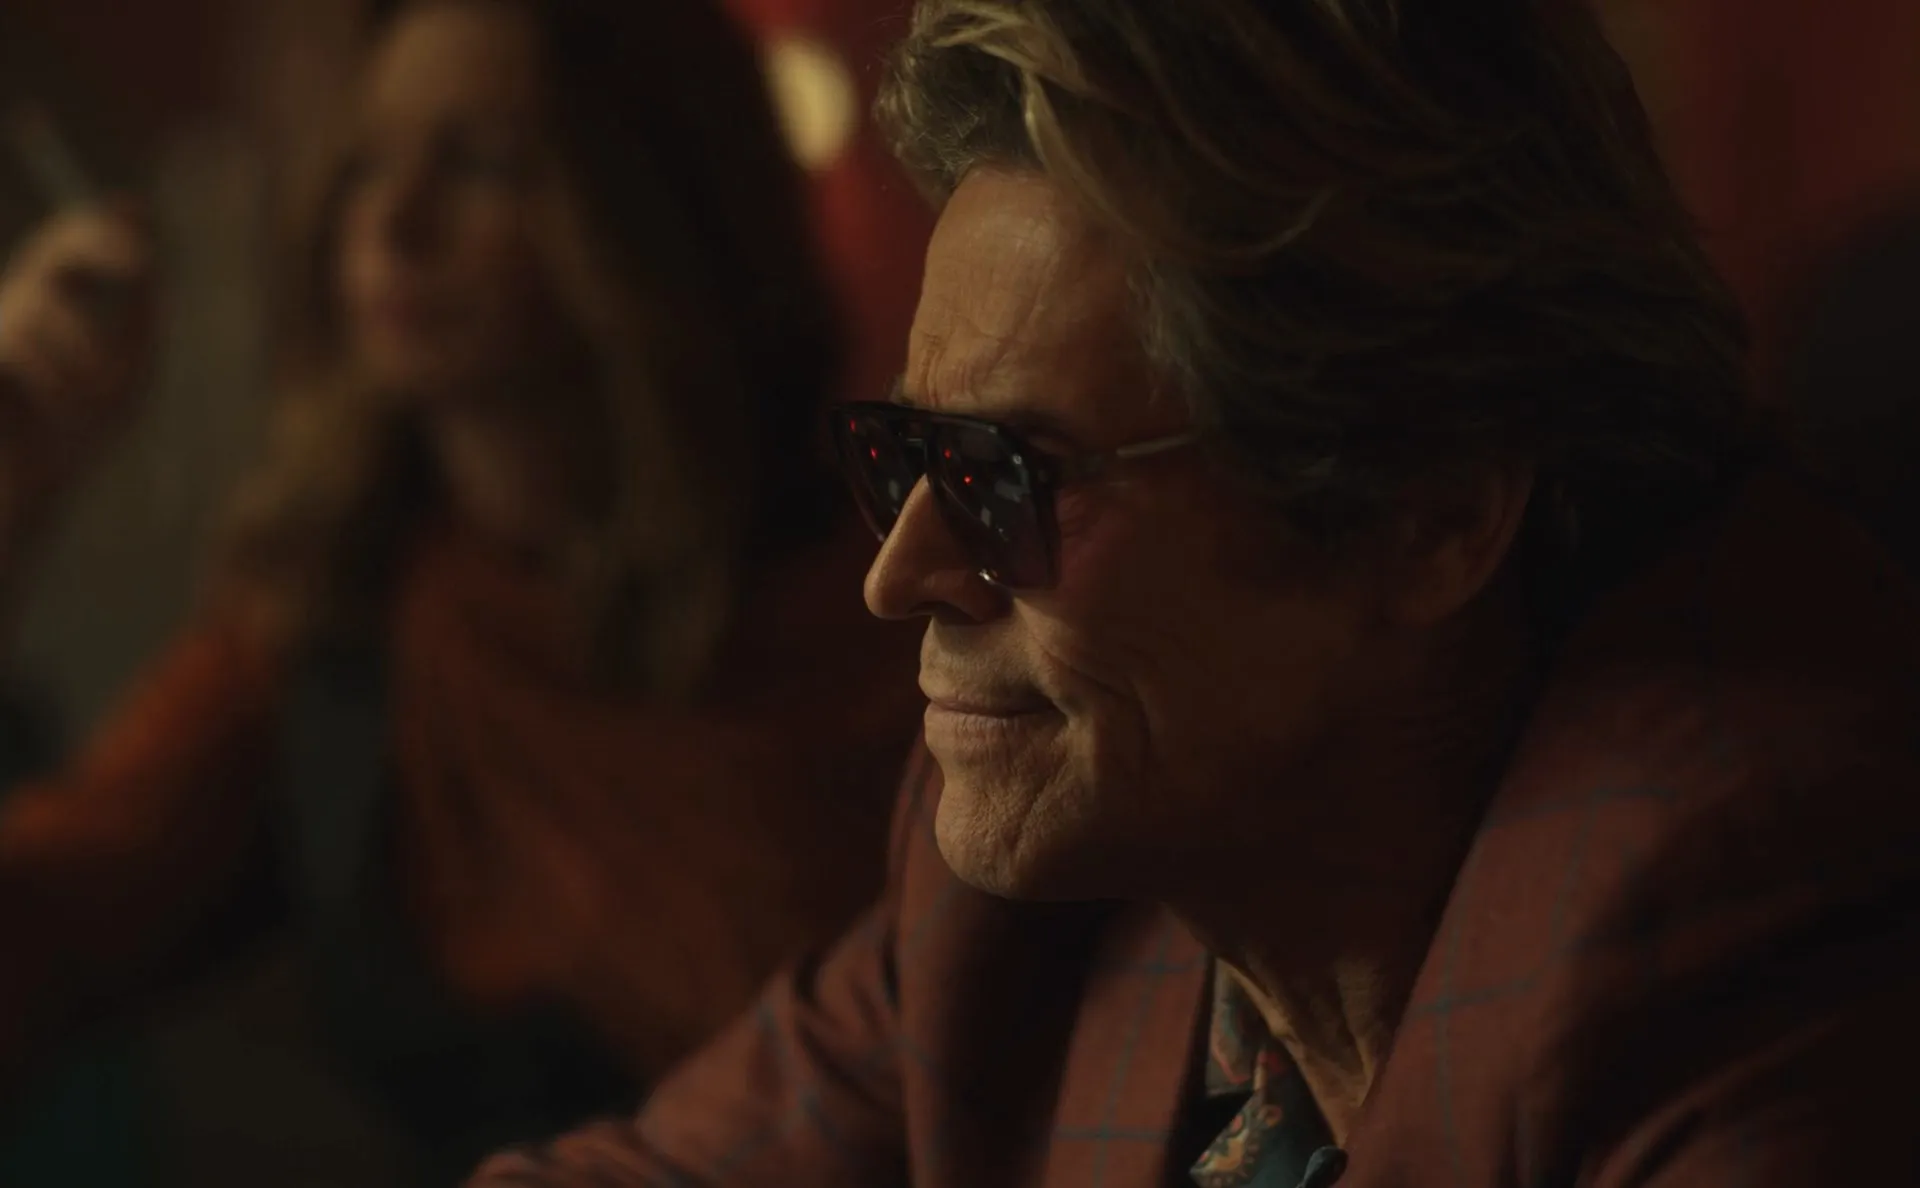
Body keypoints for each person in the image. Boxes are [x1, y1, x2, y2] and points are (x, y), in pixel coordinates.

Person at [469, 1, 1920, 1185]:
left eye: (1012, 476)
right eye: (912, 456)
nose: (898, 575)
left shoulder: (1740, 934)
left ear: (1430, 514)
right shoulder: (1034, 888)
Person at [0, 0, 922, 1180]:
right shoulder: (342, 620)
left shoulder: (884, 599)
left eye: (479, 161)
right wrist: (15, 486)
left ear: (655, 200)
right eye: (367, 163)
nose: (393, 222)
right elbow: (50, 920)